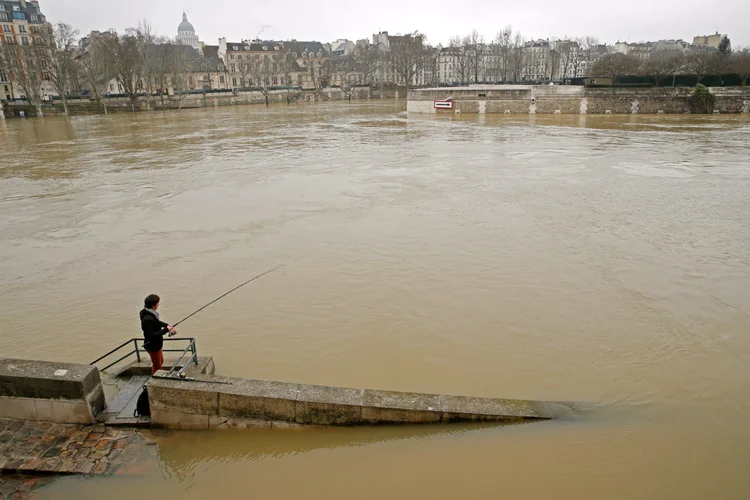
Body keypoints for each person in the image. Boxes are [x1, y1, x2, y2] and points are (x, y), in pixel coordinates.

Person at [140, 294, 176, 375]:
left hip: (157, 345)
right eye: (157, 303)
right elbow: (151, 336)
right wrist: (166, 330)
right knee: (157, 365)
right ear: (153, 306)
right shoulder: (148, 319)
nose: (158, 304)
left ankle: (157, 377)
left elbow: (156, 323)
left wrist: (166, 325)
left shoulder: (149, 313)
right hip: (153, 346)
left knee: (161, 361)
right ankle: (157, 380)